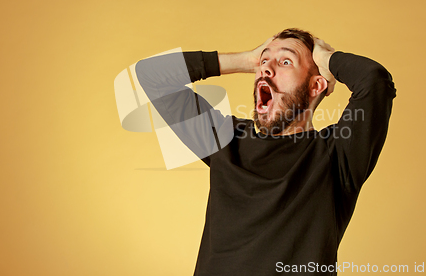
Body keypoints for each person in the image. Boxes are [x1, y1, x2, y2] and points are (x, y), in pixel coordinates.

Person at [135, 28, 396, 275]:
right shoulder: (227, 140)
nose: (266, 70)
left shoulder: (337, 156)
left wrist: (324, 57)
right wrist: (248, 60)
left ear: (316, 86)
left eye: (285, 62)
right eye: (264, 61)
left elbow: (375, 81)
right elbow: (152, 75)